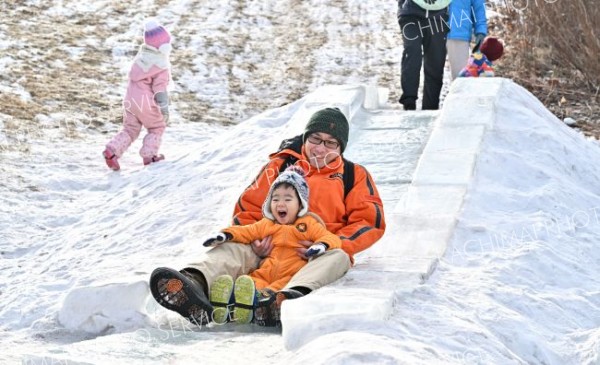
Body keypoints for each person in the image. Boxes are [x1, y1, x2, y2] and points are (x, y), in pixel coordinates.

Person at [149, 107, 386, 326]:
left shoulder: (353, 175)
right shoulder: (280, 166)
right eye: (315, 139)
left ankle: (285, 301)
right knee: (233, 247)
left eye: (330, 142)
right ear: (305, 138)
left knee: (339, 257)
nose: (321, 148)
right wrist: (255, 240)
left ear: (340, 147)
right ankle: (193, 284)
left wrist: (325, 243)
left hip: (314, 253)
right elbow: (248, 207)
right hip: (269, 244)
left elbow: (368, 221)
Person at [202, 165, 342, 325]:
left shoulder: (308, 224)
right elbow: (247, 231)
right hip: (265, 271)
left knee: (276, 288)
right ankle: (227, 301)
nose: (280, 203)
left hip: (290, 275)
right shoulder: (267, 224)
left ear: (300, 204)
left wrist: (321, 245)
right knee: (249, 282)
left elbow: (330, 238)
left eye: (288, 199)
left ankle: (252, 304)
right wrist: (225, 234)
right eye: (275, 199)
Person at [103, 20, 171, 171]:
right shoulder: (161, 66)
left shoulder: (141, 58)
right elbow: (159, 90)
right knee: (157, 127)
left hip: (130, 100)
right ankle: (149, 155)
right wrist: (164, 109)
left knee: (130, 129)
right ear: (163, 47)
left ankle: (112, 151)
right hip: (146, 102)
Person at [397, 0, 450, 111]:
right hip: (410, 14)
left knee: (435, 60)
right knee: (412, 52)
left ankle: (430, 107)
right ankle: (409, 102)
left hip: (438, 17)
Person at [447, 0, 488, 80]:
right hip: (433, 32)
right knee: (432, 77)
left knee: (460, 78)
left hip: (459, 33)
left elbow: (478, 7)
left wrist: (480, 31)